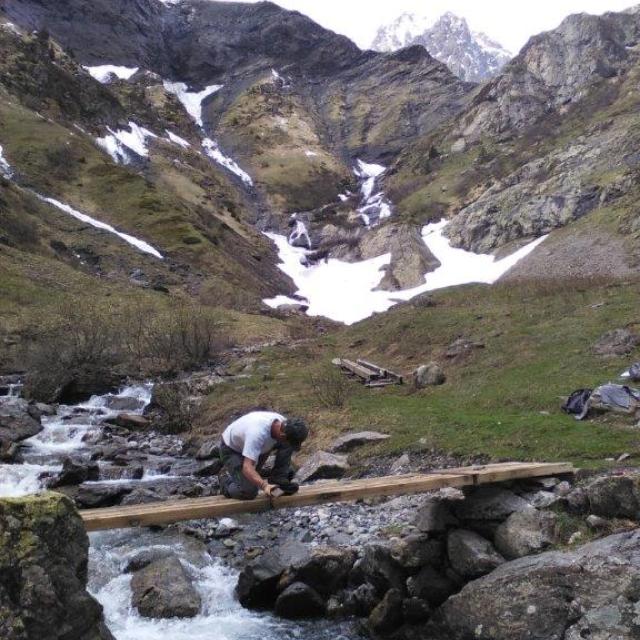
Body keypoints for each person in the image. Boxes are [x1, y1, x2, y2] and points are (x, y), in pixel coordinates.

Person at [218, 411, 308, 500]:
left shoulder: (285, 425)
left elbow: (267, 445)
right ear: (282, 434)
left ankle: (278, 479)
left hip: (252, 445)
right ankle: (225, 479)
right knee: (249, 491)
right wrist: (264, 486)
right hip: (231, 449)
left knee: (287, 444)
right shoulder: (256, 433)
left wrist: (257, 470)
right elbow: (247, 467)